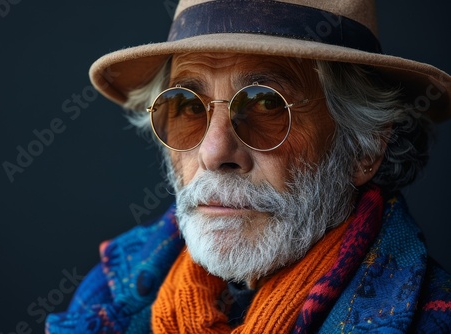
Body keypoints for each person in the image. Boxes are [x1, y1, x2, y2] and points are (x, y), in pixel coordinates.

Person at [46, 0, 451, 332]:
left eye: (266, 103)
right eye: (187, 106)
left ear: (365, 148)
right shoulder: (109, 293)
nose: (215, 151)